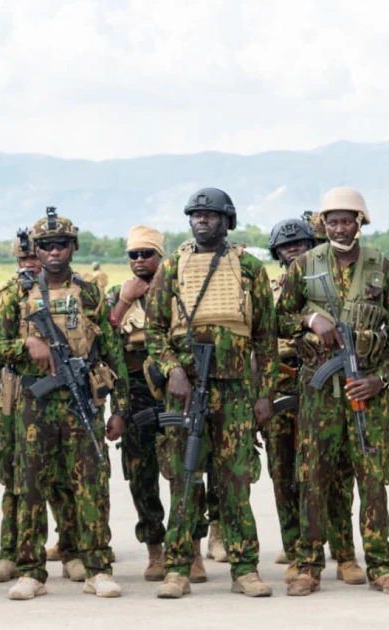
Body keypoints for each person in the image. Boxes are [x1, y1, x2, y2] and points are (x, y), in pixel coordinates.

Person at [0, 209, 130, 600]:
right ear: (36, 250)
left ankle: (97, 568)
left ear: (73, 247)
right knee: (30, 485)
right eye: (46, 246)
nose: (53, 252)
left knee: (91, 486)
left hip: (82, 402)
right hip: (35, 404)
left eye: (61, 245)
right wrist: (27, 345)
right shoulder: (16, 294)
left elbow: (112, 352)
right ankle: (30, 572)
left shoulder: (90, 293)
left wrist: (120, 409)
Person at [145, 187, 277, 599]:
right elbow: (154, 330)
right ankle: (177, 568)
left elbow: (266, 338)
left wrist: (264, 394)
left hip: (235, 392)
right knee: (184, 480)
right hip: (186, 392)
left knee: (236, 482)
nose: (201, 220)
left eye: (210, 214)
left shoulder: (249, 268)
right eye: (196, 214)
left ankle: (245, 569)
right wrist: (173, 370)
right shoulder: (172, 267)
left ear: (226, 221)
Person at [277, 186, 389, 596]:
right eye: (332, 221)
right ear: (324, 224)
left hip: (366, 391)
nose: (339, 228)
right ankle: (308, 567)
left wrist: (381, 377)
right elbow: (277, 319)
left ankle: (380, 566)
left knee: (372, 479)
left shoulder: (381, 267)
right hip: (319, 392)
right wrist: (309, 320)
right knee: (313, 477)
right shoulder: (305, 266)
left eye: (346, 221)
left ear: (359, 223)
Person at [266, 219, 363, 584]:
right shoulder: (269, 292)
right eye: (286, 246)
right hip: (280, 387)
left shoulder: (327, 286)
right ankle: (296, 550)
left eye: (301, 244)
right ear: (277, 253)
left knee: (336, 475)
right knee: (284, 475)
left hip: (323, 386)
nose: (293, 250)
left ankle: (344, 552)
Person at [0, 230, 81, 583]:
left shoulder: (71, 292)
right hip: (17, 397)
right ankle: (11, 553)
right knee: (16, 476)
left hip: (62, 398)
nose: (30, 264)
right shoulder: (6, 297)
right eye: (24, 259)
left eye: (32, 258)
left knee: (65, 477)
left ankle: (71, 549)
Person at [105, 225, 168, 582]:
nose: (140, 260)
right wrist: (125, 300)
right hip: (135, 393)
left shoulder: (176, 290)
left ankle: (191, 549)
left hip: (173, 391)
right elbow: (101, 338)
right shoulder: (116, 294)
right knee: (141, 477)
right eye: (134, 254)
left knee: (186, 472)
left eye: (147, 253)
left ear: (161, 256)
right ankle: (155, 550)